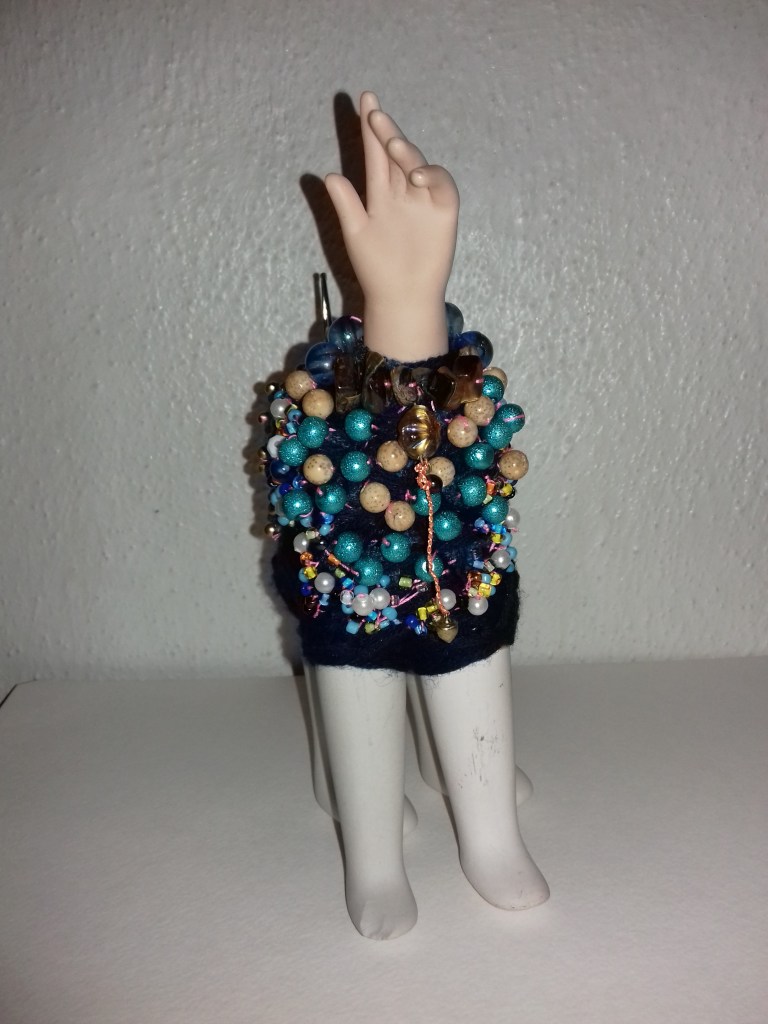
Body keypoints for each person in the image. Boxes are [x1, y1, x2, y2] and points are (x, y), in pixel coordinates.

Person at [269, 92, 549, 939]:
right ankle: (372, 851)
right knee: (359, 666)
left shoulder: (458, 415)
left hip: (451, 539)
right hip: (351, 556)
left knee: (470, 653)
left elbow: (455, 443)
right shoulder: (329, 429)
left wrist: (415, 293)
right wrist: (399, 295)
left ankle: (485, 820)